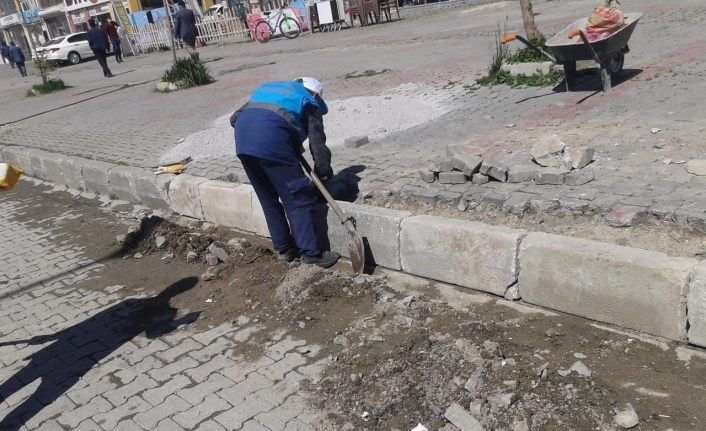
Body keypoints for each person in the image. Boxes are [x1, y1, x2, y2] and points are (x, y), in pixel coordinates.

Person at [230, 77, 340, 268]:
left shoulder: (271, 88)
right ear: (316, 95)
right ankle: (312, 255)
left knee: (268, 197)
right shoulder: (309, 100)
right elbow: (318, 145)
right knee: (298, 196)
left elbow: (234, 118)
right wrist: (323, 174)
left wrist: (282, 138)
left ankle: (285, 249)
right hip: (272, 140)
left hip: (243, 140)